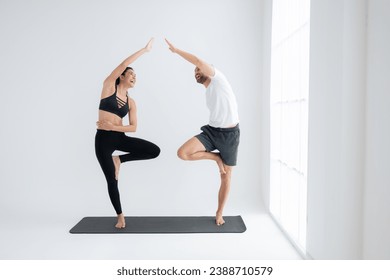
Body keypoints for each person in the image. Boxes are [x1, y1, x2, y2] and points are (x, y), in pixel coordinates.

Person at [165, 39, 240, 226]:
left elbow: (198, 61)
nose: (197, 72)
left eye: (199, 70)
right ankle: (216, 158)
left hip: (230, 135)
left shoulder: (219, 79)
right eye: (195, 72)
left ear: (209, 70)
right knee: (182, 153)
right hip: (212, 132)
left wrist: (176, 50)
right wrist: (215, 157)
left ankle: (219, 213)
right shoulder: (209, 91)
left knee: (226, 176)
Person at [95, 38, 160, 229]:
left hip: (117, 136)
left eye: (136, 76)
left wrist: (113, 127)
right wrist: (144, 50)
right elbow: (123, 64)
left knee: (154, 151)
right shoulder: (108, 87)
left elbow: (133, 128)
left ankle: (119, 160)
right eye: (131, 74)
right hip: (103, 141)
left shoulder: (132, 102)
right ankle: (120, 216)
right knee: (111, 180)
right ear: (121, 76)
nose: (134, 77)